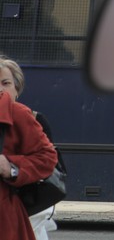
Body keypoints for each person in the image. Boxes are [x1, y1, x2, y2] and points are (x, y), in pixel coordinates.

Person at [0, 56, 59, 240]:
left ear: (17, 89)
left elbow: (48, 158)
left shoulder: (22, 115)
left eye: (5, 83)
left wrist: (11, 167)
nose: (0, 89)